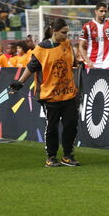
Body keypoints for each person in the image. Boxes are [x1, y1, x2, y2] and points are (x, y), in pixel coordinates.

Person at [9, 18, 80, 167]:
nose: (66, 35)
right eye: (63, 32)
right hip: (49, 95)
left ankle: (67, 155)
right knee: (52, 127)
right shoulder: (41, 49)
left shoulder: (67, 44)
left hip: (69, 93)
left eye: (67, 32)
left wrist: (79, 62)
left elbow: (73, 62)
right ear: (54, 31)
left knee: (71, 124)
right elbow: (31, 67)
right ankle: (51, 157)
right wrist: (20, 83)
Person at [78, 2, 109, 69]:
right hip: (92, 64)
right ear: (95, 11)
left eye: (105, 11)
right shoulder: (87, 26)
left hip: (108, 64)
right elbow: (81, 46)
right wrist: (88, 61)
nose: (104, 13)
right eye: (101, 11)